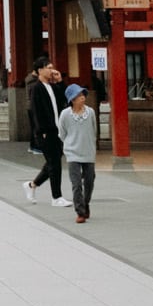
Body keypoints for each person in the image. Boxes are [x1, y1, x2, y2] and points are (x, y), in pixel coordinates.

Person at [26, 61, 70, 206]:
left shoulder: (52, 87)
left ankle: (32, 185)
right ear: (40, 70)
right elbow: (35, 111)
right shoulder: (36, 88)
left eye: (52, 67)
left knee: (53, 162)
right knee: (55, 163)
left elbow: (64, 100)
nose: (52, 70)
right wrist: (41, 130)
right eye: (48, 68)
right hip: (46, 132)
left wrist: (60, 81)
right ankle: (56, 197)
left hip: (57, 131)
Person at [58, 82, 98, 224]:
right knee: (76, 184)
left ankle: (85, 203)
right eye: (79, 96)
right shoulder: (65, 115)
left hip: (88, 151)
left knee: (89, 181)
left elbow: (94, 131)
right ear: (72, 99)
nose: (82, 98)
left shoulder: (91, 112)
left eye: (83, 95)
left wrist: (91, 145)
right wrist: (69, 145)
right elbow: (62, 133)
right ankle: (80, 211)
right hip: (72, 153)